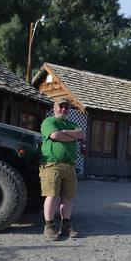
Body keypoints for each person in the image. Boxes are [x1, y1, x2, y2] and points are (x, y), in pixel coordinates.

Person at [40, 97, 84, 240]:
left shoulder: (71, 123)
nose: (64, 109)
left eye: (66, 107)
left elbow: (81, 134)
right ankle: (49, 227)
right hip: (52, 164)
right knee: (51, 195)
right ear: (54, 108)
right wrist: (72, 135)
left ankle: (66, 226)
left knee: (68, 198)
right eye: (61, 106)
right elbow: (55, 135)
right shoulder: (49, 121)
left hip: (70, 166)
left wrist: (65, 132)